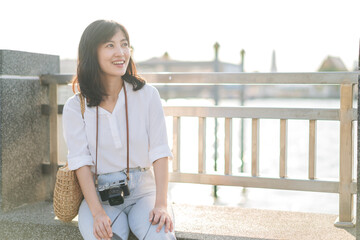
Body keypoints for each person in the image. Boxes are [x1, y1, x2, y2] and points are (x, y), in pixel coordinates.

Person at [62, 19, 176, 240]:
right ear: (91, 53)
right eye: (110, 45)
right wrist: (96, 213)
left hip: (145, 192)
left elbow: (161, 151)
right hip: (99, 195)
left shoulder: (147, 95)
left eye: (124, 44)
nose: (120, 52)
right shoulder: (76, 107)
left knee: (161, 236)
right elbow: (80, 163)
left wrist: (161, 204)